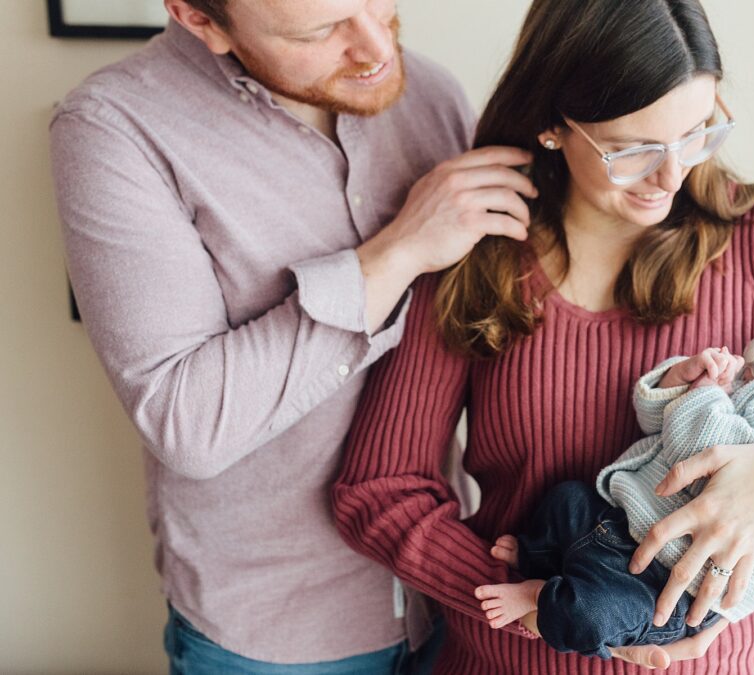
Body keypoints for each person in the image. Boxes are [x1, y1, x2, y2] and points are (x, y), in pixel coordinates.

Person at [332, 0, 754, 672]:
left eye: (696, 132)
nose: (672, 174)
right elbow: (379, 489)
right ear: (552, 127)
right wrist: (533, 600)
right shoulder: (478, 256)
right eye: (633, 150)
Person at [50, 0, 536, 671]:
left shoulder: (432, 93)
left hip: (451, 592)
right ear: (199, 17)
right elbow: (185, 421)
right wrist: (396, 254)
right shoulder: (114, 128)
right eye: (318, 32)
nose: (374, 47)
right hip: (275, 636)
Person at [472, 316, 754, 658]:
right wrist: (678, 382)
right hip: (615, 519)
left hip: (663, 584)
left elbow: (701, 446)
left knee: (591, 615)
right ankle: (539, 555)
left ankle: (541, 596)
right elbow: (659, 433)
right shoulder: (749, 387)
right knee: (565, 499)